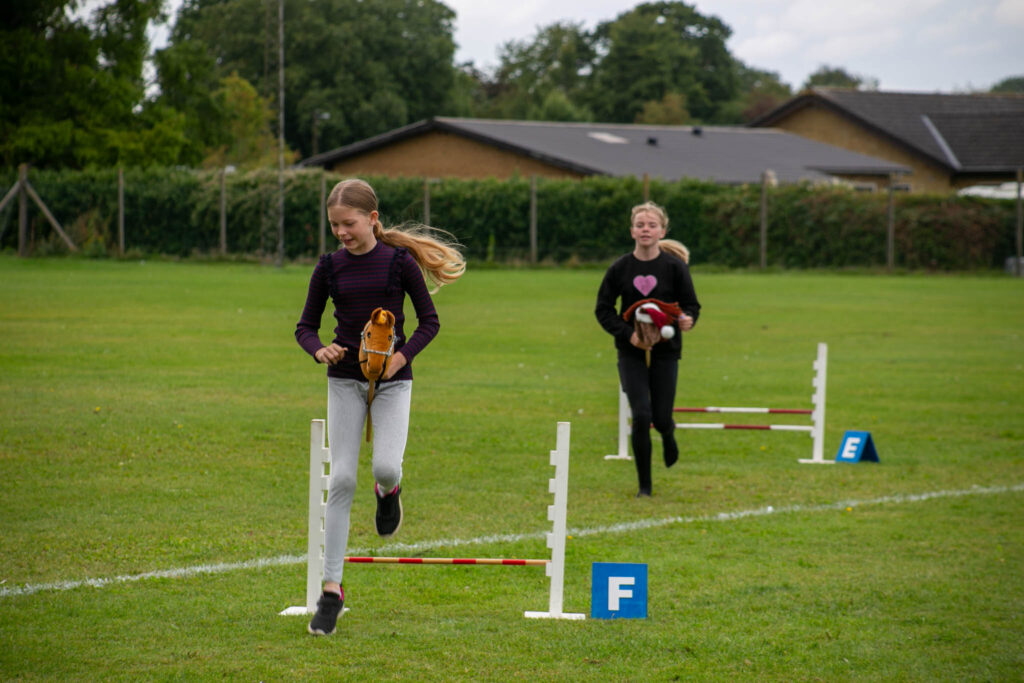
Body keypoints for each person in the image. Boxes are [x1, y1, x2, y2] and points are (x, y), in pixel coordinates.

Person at [294, 178, 465, 635]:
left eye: (348, 224)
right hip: (345, 381)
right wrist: (319, 350)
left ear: (372, 219)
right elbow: (305, 327)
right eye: (334, 225)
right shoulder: (328, 267)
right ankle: (331, 591)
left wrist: (401, 358)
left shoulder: (398, 263)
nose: (341, 233)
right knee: (343, 477)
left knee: (386, 467)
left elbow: (430, 321)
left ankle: (389, 494)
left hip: (393, 382)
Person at [595, 201, 700, 498]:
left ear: (662, 231)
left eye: (652, 225)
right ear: (632, 231)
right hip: (631, 351)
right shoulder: (620, 268)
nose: (646, 229)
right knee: (641, 414)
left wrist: (688, 320)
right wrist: (628, 335)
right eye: (640, 225)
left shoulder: (674, 267)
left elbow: (691, 305)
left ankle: (668, 433)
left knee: (661, 416)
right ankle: (645, 486)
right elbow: (603, 309)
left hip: (667, 350)